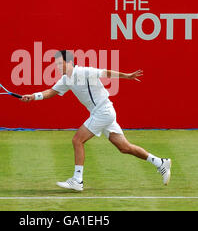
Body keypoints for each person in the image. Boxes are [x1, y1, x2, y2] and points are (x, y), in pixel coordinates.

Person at [20, 50, 172, 191]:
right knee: (124, 147)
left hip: (103, 112)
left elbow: (105, 72)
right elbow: (52, 91)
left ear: (70, 62)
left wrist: (126, 76)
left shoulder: (84, 71)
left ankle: (77, 180)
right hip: (102, 113)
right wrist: (33, 96)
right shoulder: (66, 79)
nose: (58, 67)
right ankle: (160, 162)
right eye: (57, 64)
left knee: (77, 140)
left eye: (60, 63)